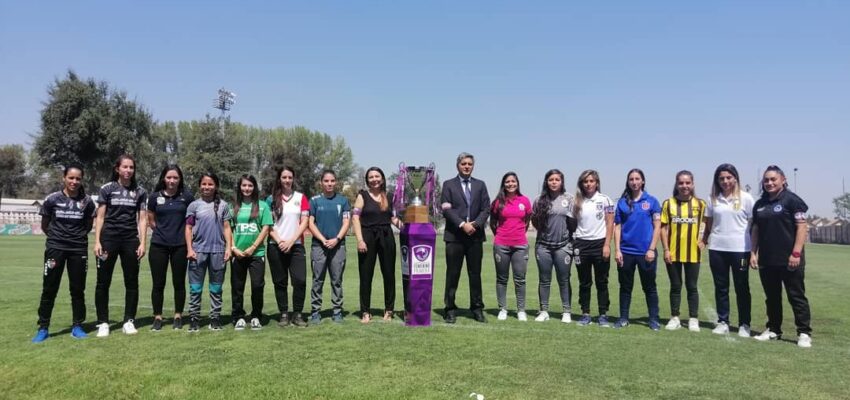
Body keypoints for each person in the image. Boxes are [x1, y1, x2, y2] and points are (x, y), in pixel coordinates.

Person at [32, 165, 96, 343]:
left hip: (78, 249)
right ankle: (43, 327)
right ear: (64, 178)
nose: (74, 182)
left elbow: (88, 225)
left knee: (77, 289)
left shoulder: (87, 201)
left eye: (78, 179)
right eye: (71, 178)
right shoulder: (52, 199)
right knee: (49, 289)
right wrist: (57, 239)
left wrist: (75, 238)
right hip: (55, 248)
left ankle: (77, 326)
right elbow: (45, 225)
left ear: (81, 180)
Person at [750, 165, 812, 348]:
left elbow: (802, 227)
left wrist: (796, 253)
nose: (769, 183)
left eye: (773, 179)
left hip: (790, 259)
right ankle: (774, 330)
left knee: (796, 296)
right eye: (766, 180)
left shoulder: (792, 201)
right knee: (772, 297)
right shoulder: (760, 204)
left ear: (783, 180)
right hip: (767, 260)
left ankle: (803, 332)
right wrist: (753, 252)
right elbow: (755, 229)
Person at [94, 154, 148, 337]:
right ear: (117, 169)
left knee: (131, 282)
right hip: (108, 239)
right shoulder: (107, 189)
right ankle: (103, 322)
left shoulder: (140, 191)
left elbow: (142, 219)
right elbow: (100, 217)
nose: (128, 170)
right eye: (125, 167)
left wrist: (142, 242)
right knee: (103, 281)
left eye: (131, 167)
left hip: (130, 240)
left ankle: (129, 320)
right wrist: (97, 241)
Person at [701, 163, 755, 337]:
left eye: (728, 177)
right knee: (721, 287)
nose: (725, 181)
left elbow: (754, 226)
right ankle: (723, 321)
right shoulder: (712, 199)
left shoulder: (746, 198)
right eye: (721, 178)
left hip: (741, 250)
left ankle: (744, 324)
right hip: (717, 249)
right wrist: (703, 240)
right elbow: (708, 224)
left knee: (741, 287)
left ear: (735, 178)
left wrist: (755, 250)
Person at [440, 152, 490, 323]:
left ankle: (477, 308)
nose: (467, 166)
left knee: (475, 274)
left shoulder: (480, 185)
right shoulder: (448, 185)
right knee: (452, 274)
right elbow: (446, 209)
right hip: (454, 237)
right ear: (458, 166)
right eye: (463, 164)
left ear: (473, 166)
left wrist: (475, 225)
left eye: (469, 163)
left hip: (475, 237)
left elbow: (486, 209)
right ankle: (450, 308)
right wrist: (463, 224)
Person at [147, 165, 194, 331]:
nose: (172, 181)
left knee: (179, 283)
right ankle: (158, 317)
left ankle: (178, 315)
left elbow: (191, 221)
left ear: (180, 179)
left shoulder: (187, 197)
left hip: (180, 245)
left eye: (175, 178)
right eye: (169, 177)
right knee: (158, 283)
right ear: (163, 179)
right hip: (159, 245)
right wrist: (162, 232)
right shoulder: (154, 197)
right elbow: (151, 220)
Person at [613, 168, 662, 330]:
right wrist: (617, 250)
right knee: (625, 287)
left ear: (643, 181)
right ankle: (623, 318)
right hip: (626, 252)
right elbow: (617, 228)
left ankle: (654, 319)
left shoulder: (652, 201)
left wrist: (651, 249)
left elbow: (657, 227)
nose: (634, 182)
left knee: (649, 287)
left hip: (646, 253)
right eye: (631, 179)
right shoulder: (622, 202)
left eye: (637, 179)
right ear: (628, 182)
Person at [352, 167, 402, 323]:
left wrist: (410, 229)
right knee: (366, 275)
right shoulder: (363, 196)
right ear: (367, 180)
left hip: (386, 236)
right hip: (367, 237)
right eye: (371, 177)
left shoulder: (389, 196)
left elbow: (393, 219)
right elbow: (355, 219)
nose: (374, 179)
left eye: (377, 176)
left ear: (382, 178)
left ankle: (389, 310)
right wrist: (360, 240)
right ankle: (365, 311)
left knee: (389, 275)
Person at [185, 172, 233, 332]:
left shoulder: (224, 206)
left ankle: (215, 318)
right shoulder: (193, 205)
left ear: (216, 186)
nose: (207, 187)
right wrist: (190, 249)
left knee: (216, 289)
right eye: (204, 184)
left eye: (210, 184)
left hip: (218, 252)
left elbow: (227, 228)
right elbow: (188, 228)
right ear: (200, 186)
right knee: (195, 288)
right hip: (198, 252)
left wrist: (228, 248)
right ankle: (194, 319)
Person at [660, 170, 706, 332]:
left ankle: (693, 318)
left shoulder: (701, 204)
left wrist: (704, 240)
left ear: (692, 184)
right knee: (676, 285)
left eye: (687, 183)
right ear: (676, 184)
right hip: (672, 252)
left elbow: (707, 223)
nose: (684, 186)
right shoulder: (668, 203)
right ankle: (675, 317)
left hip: (693, 252)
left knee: (692, 286)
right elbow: (663, 228)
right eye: (681, 183)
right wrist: (666, 249)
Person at [531, 169, 576, 323]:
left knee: (564, 280)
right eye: (551, 179)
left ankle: (566, 311)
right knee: (544, 280)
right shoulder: (539, 200)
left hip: (563, 246)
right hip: (543, 246)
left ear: (562, 181)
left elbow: (573, 222)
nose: (554, 182)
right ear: (547, 181)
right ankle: (544, 311)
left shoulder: (569, 199)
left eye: (557, 179)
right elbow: (535, 222)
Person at [266, 166, 310, 327]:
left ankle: (297, 313)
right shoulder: (270, 200)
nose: (287, 180)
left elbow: (304, 221)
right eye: (284, 177)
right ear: (279, 179)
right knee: (280, 281)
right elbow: (268, 224)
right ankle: (284, 313)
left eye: (290, 177)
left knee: (299, 281)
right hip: (275, 246)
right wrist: (279, 241)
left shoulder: (301, 197)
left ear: (293, 178)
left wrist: (291, 241)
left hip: (296, 245)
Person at [572, 170, 615, 327]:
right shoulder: (576, 201)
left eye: (591, 181)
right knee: (584, 282)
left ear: (597, 182)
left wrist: (606, 245)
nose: (588, 184)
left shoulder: (605, 200)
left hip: (600, 245)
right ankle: (585, 313)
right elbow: (572, 224)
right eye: (585, 181)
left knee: (601, 281)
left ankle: (603, 314)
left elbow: (610, 223)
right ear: (581, 184)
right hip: (581, 245)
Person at [230, 174, 273, 330]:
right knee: (237, 286)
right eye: (244, 185)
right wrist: (233, 247)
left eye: (250, 185)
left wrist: (253, 247)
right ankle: (238, 316)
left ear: (254, 187)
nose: (247, 188)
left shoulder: (262, 206)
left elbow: (266, 228)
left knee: (257, 286)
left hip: (257, 253)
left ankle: (256, 315)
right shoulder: (233, 206)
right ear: (240, 187)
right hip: (238, 254)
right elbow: (228, 229)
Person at [308, 170, 351, 324]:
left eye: (332, 181)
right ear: (321, 182)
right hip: (319, 246)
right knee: (317, 280)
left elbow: (347, 222)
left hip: (338, 246)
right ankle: (315, 312)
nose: (329, 184)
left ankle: (337, 311)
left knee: (336, 280)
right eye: (326, 181)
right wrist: (322, 239)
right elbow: (310, 223)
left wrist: (337, 239)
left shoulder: (343, 201)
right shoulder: (314, 201)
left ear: (336, 182)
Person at [490, 172, 533, 321]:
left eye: (513, 181)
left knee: (520, 279)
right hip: (501, 245)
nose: (510, 184)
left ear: (517, 183)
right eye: (507, 182)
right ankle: (503, 308)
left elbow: (527, 221)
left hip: (520, 245)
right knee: (502, 279)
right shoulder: (497, 202)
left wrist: (518, 234)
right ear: (504, 184)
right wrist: (501, 236)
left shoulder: (525, 201)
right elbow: (493, 222)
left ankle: (521, 310)